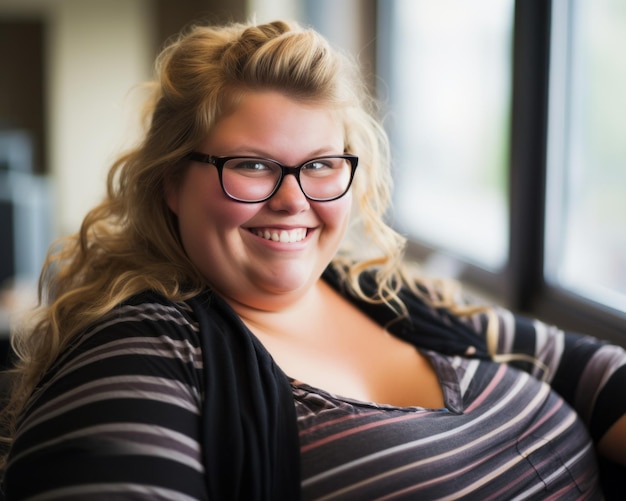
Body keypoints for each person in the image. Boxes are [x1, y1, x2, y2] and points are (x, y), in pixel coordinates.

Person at [1, 19, 625, 500]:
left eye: (321, 165)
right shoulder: (141, 356)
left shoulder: (383, 294)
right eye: (251, 166)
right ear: (170, 182)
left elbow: (593, 371)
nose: (293, 201)